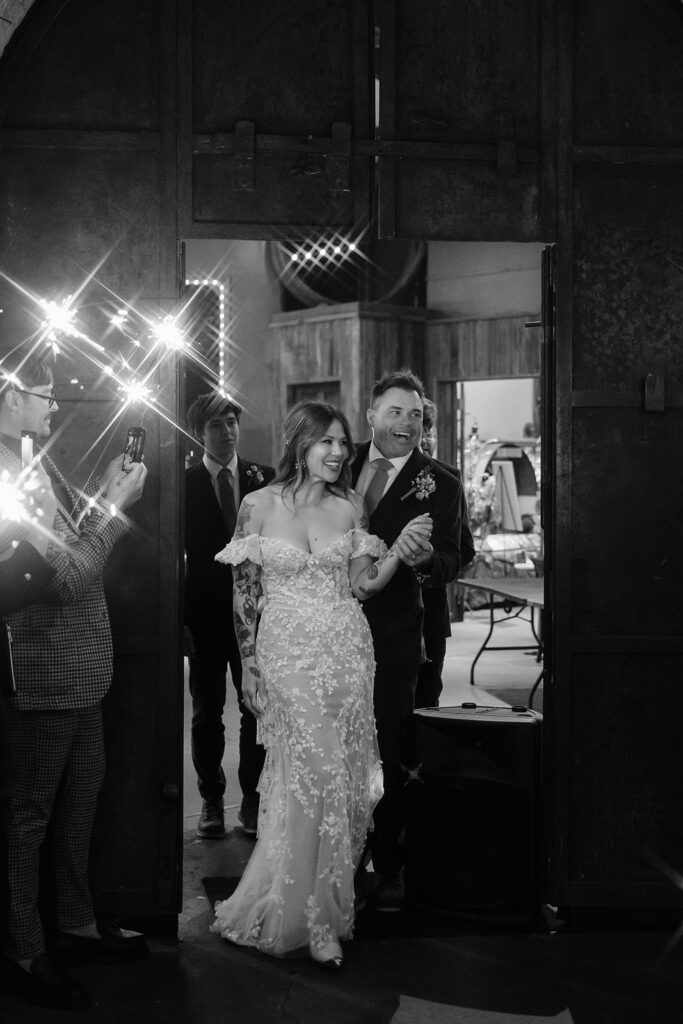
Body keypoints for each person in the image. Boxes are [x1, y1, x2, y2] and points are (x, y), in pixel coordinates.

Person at [210, 401, 431, 967]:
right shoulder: (257, 505)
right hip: (285, 655)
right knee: (312, 773)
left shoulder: (349, 505)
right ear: (300, 442)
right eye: (327, 442)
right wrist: (251, 669)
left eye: (342, 443)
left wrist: (398, 556)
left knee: (344, 782)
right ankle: (311, 919)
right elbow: (244, 596)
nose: (338, 452)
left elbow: (361, 586)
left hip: (348, 655)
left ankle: (326, 907)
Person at [0, 352, 148, 1011]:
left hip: (84, 670)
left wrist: (102, 497)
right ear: (8, 396)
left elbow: (67, 542)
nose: (53, 404)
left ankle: (76, 922)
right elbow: (61, 582)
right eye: (42, 393)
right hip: (44, 673)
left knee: (82, 800)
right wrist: (116, 511)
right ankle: (24, 948)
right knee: (29, 816)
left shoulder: (34, 458)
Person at [351, 370, 464, 912]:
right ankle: (336, 853)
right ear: (370, 415)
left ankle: (390, 861)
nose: (406, 423)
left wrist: (423, 566)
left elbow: (454, 556)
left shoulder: (442, 481)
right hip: (328, 627)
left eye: (415, 415)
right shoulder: (334, 463)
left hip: (394, 632)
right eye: (394, 412)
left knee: (388, 744)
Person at [185, 393, 274, 838]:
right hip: (202, 617)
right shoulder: (184, 485)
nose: (227, 431)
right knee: (206, 713)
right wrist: (180, 619)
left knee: (254, 708)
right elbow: (176, 560)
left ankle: (253, 802)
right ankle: (211, 799)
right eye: (217, 425)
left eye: (232, 422)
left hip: (255, 618)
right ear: (200, 432)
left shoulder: (264, 479)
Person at [415, 398, 476, 709]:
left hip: (432, 608)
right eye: (419, 429)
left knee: (426, 699)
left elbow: (465, 548)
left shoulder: (448, 478)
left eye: (430, 430)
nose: (425, 438)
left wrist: (430, 563)